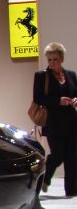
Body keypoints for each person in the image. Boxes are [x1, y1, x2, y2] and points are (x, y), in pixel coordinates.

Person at [33, 42, 77, 196]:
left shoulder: (71, 75)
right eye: (49, 59)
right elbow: (38, 98)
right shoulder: (41, 76)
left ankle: (72, 192)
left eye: (55, 59)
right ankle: (46, 176)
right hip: (53, 122)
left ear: (62, 59)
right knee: (57, 154)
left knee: (72, 157)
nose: (52, 63)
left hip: (72, 122)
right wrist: (58, 101)